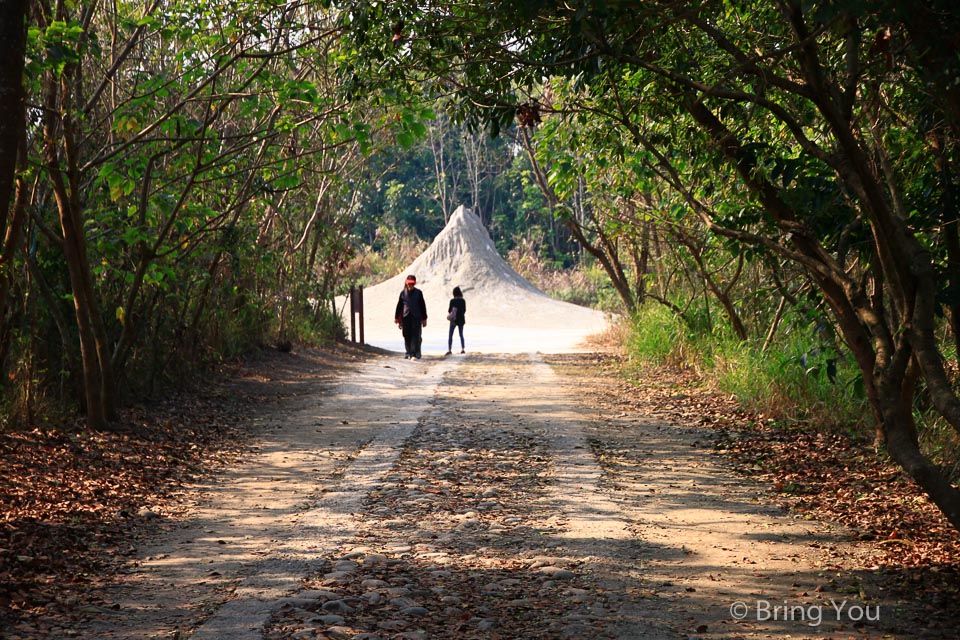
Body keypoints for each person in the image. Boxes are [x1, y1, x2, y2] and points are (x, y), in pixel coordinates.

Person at [395, 274, 427, 359]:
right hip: (406, 317)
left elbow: (422, 306)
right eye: (409, 284)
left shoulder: (419, 293)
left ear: (414, 284)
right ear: (406, 283)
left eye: (412, 284)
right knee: (406, 335)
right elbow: (399, 306)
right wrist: (396, 317)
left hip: (416, 317)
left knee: (416, 335)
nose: (410, 286)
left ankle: (414, 353)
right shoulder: (403, 293)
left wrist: (424, 318)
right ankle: (408, 352)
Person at [445, 286, 466, 355]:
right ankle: (463, 349)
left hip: (453, 320)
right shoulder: (463, 300)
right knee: (461, 335)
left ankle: (449, 349)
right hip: (461, 320)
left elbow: (449, 310)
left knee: (450, 335)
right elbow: (464, 310)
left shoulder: (452, 301)